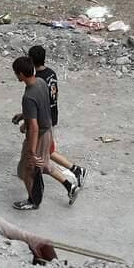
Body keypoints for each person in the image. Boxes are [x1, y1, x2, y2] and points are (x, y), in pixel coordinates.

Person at [11, 55, 78, 210]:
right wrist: (24, 115)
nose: (15, 75)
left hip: (38, 136)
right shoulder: (41, 83)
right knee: (43, 164)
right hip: (48, 132)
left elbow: (34, 127)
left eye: (16, 72)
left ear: (21, 74)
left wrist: (32, 151)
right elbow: (41, 106)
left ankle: (33, 201)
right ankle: (70, 186)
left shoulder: (28, 97)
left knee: (27, 169)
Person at [28, 44, 87, 188]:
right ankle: (77, 170)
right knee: (49, 149)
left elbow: (39, 104)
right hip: (53, 114)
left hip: (44, 120)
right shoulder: (51, 73)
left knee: (41, 155)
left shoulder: (37, 80)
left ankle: (69, 183)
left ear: (31, 60)